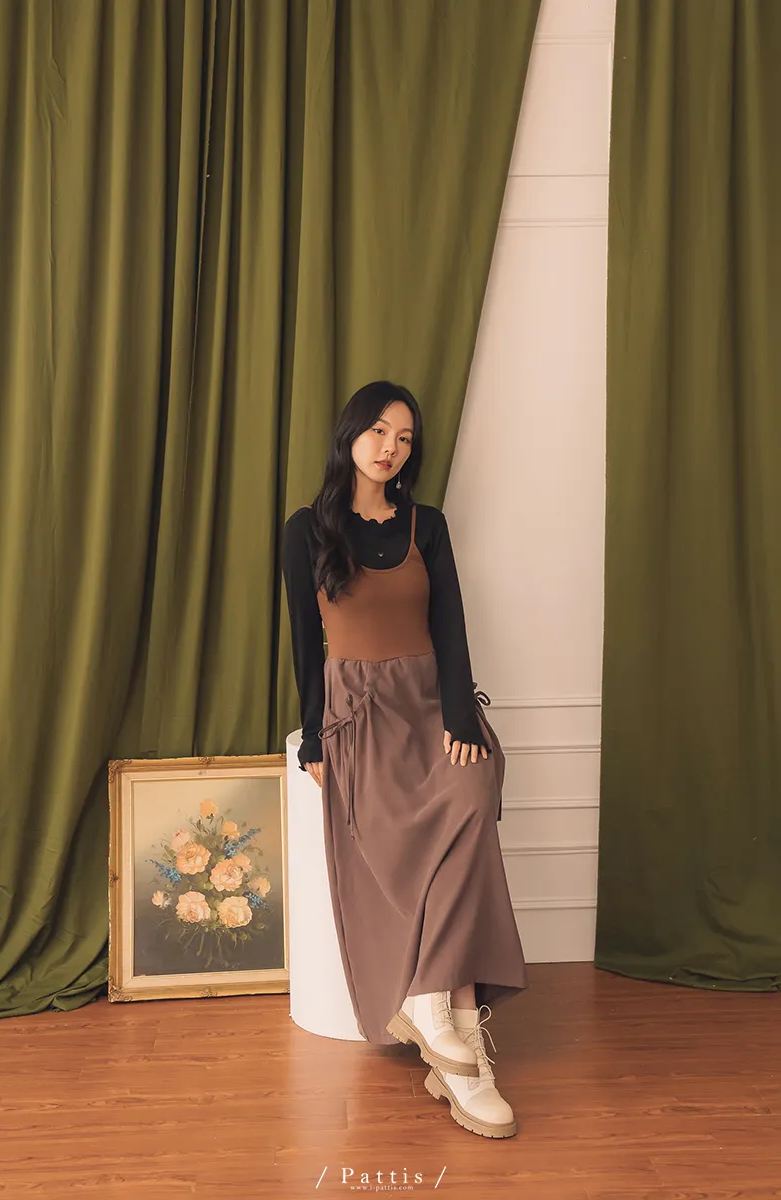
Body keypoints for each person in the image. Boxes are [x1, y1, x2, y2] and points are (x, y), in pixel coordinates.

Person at [281, 380, 529, 1138]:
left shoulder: (429, 525)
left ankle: (436, 1013)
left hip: (429, 703)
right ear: (351, 434)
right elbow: (304, 642)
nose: (390, 447)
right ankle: (461, 1043)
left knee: (472, 799)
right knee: (442, 838)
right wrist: (314, 734)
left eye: (405, 438)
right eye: (379, 431)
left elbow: (450, 622)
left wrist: (460, 716)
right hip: (360, 710)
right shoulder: (306, 529)